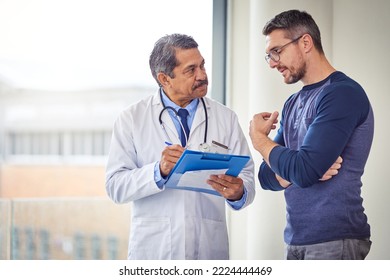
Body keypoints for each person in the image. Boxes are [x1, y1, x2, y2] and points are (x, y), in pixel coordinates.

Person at [106, 33, 255, 260]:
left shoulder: (226, 118)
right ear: (165, 79)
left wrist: (239, 192)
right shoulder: (132, 119)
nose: (202, 75)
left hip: (208, 248)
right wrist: (159, 171)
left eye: (202, 65)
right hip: (156, 251)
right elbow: (115, 186)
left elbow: (247, 176)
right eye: (191, 70)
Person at [249, 10, 374, 260]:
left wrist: (260, 140)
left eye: (277, 51)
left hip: (335, 240)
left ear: (305, 42)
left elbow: (303, 170)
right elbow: (265, 177)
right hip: (296, 240)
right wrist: (298, 167)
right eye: (268, 56)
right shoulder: (292, 103)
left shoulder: (342, 94)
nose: (272, 63)